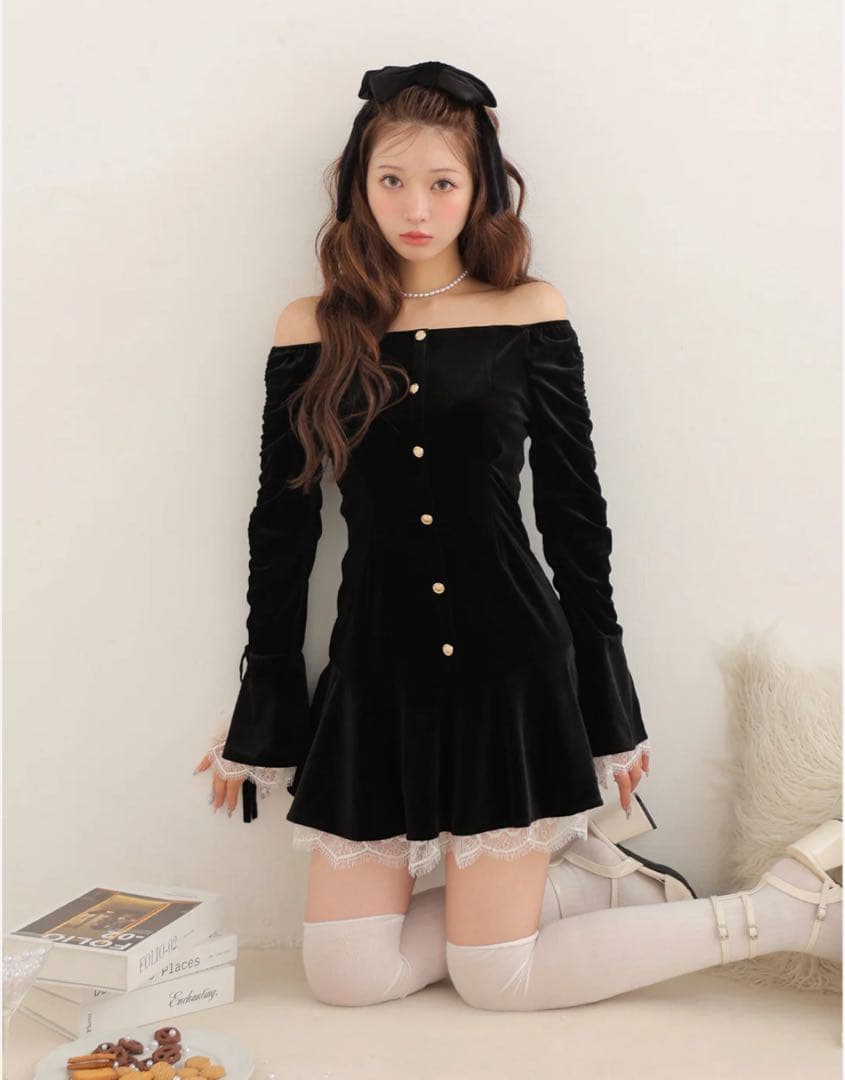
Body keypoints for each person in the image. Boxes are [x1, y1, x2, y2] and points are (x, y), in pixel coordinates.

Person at [195, 61, 842, 1010]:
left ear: (479, 189)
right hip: (376, 672)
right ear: (357, 185)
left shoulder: (528, 313)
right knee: (344, 979)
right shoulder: (312, 327)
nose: (417, 208)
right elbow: (282, 526)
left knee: (496, 982)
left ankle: (782, 912)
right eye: (391, 180)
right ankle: (585, 885)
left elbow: (574, 513)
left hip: (511, 668)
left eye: (442, 182)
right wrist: (265, 702)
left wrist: (606, 700)